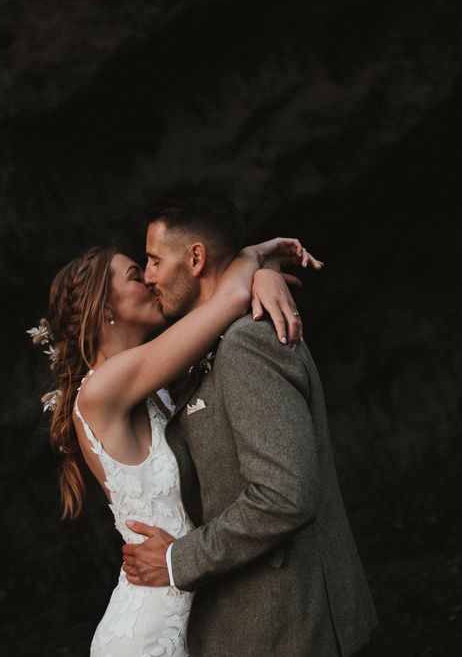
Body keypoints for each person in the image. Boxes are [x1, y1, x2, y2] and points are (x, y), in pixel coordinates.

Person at [29, 230, 321, 656]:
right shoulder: (102, 389)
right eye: (134, 275)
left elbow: (228, 300)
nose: (149, 281)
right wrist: (259, 255)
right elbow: (230, 298)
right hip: (150, 629)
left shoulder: (157, 385)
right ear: (105, 306)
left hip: (195, 603)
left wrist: (266, 276)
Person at [121, 189, 378, 656]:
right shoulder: (211, 343)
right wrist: (262, 269)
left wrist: (180, 559)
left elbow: (284, 494)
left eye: (155, 260)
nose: (150, 276)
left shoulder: (245, 344)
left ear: (195, 257)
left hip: (288, 627)